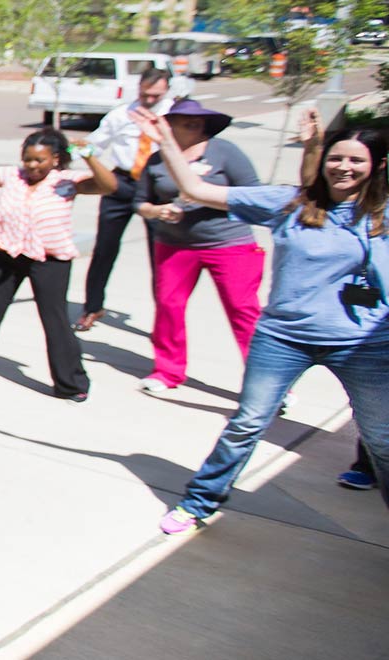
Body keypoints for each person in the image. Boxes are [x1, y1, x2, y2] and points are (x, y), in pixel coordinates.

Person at [141, 107, 389, 533]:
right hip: (283, 339)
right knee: (247, 424)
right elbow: (196, 189)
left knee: (382, 440)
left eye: (355, 160)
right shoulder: (290, 203)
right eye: (336, 157)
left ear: (377, 165)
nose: (343, 166)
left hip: (362, 342)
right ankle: (199, 502)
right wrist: (164, 138)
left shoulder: (382, 214)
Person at [0, 128, 116, 401]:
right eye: (27, 159)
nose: (31, 165)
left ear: (55, 159)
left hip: (49, 260)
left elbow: (108, 186)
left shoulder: (67, 181)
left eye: (39, 160)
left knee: (55, 320)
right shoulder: (12, 176)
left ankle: (71, 383)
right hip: (7, 254)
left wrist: (89, 157)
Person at [131, 100, 263, 393]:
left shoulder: (226, 153)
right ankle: (167, 372)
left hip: (229, 243)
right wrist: (157, 211)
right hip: (174, 244)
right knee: (168, 306)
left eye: (200, 120)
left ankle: (268, 383)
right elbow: (140, 202)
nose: (195, 124)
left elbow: (254, 195)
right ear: (169, 125)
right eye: (186, 120)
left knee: (243, 310)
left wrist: (206, 196)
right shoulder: (156, 160)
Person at [78, 68, 176, 331]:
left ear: (167, 90)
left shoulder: (176, 116)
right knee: (104, 249)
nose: (150, 100)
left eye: (156, 95)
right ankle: (93, 307)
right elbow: (94, 144)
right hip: (121, 184)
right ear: (139, 88)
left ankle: (164, 318)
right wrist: (76, 151)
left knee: (160, 254)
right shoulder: (121, 114)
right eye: (146, 94)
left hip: (158, 188)